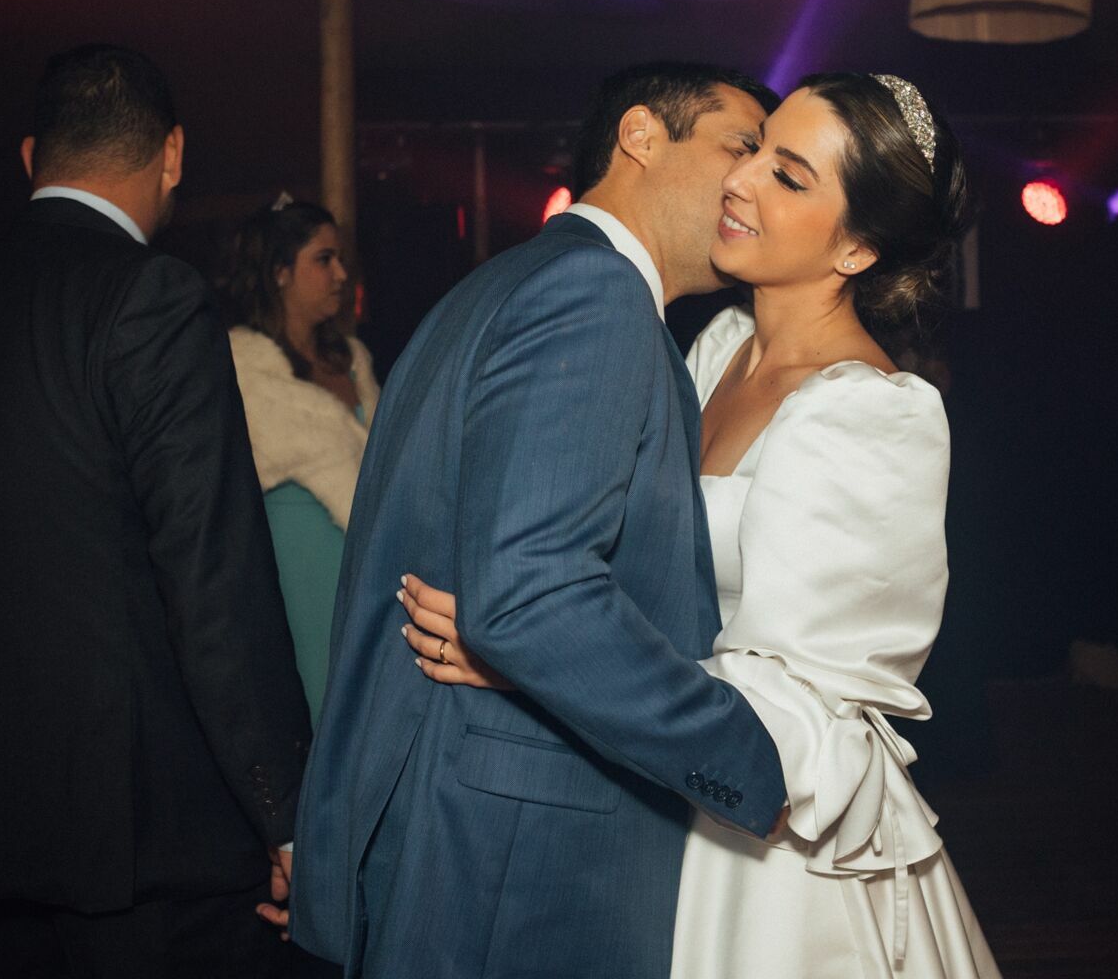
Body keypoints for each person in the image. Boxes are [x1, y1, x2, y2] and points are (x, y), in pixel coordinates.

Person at [402, 73, 1002, 978]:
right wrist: (538, 635)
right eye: (753, 149)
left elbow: (803, 712)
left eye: (787, 176)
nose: (740, 179)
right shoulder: (717, 347)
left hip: (768, 858)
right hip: (654, 792)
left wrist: (539, 669)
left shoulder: (874, 414)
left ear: (855, 248)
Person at [283, 62, 791, 978]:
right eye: (741, 146)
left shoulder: (501, 285)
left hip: (447, 821)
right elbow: (530, 596)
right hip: (513, 856)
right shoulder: (594, 296)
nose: (753, 179)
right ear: (642, 136)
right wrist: (743, 753)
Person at [0, 44, 312, 977]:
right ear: (172, 154)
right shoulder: (151, 295)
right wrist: (289, 813)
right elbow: (212, 581)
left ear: (32, 158)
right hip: (154, 829)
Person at [226, 196, 380, 723]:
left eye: (341, 260)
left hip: (366, 574)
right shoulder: (241, 366)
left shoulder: (353, 360)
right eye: (323, 259)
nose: (340, 274)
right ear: (280, 272)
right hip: (296, 576)